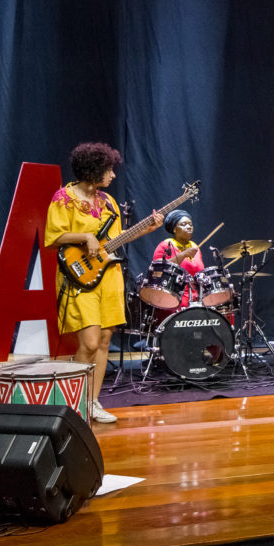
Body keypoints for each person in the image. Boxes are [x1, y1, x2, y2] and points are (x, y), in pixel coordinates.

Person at [45, 142, 163, 423]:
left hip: (108, 276)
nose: (113, 175)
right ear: (93, 169)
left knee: (105, 339)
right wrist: (83, 237)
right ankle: (74, 403)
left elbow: (114, 242)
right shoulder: (64, 198)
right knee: (88, 341)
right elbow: (54, 238)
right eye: (108, 170)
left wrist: (147, 228)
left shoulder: (108, 202)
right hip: (78, 277)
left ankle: (92, 403)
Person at [152, 209, 203, 309]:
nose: (189, 227)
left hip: (196, 300)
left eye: (190, 224)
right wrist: (183, 254)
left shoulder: (194, 246)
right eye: (184, 224)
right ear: (174, 229)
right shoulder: (166, 245)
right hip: (173, 300)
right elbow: (156, 270)